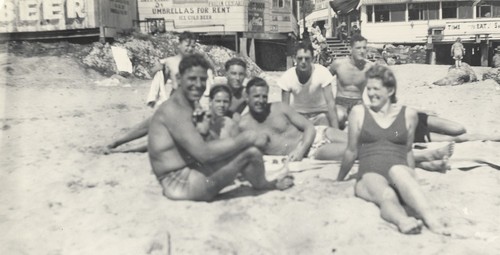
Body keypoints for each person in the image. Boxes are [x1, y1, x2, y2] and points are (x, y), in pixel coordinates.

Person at [148, 54, 293, 201]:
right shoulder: (175, 110)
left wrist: (205, 132)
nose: (198, 85)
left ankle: (253, 178)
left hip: (185, 175)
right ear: (179, 79)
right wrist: (247, 138)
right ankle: (264, 185)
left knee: (232, 148)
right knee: (251, 153)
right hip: (181, 184)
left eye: (203, 79)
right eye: (192, 79)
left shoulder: (185, 104)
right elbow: (204, 154)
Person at [240, 77, 454, 171]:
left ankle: (423, 155)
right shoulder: (242, 125)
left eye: (263, 96)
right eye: (255, 97)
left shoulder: (278, 108)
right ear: (247, 96)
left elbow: (308, 127)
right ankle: (425, 159)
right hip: (314, 151)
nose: (260, 101)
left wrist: (300, 148)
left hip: (317, 135)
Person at [337, 64, 449, 235]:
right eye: (369, 89)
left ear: (389, 91)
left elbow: (408, 151)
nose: (371, 93)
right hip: (370, 174)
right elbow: (351, 151)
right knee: (387, 195)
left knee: (398, 171)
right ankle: (403, 221)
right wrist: (339, 180)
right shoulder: (359, 113)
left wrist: (413, 179)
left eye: (376, 89)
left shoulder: (408, 114)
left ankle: (432, 220)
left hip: (400, 171)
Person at [278, 41, 339, 128]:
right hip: (299, 116)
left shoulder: (322, 72)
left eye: (307, 58)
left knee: (338, 116)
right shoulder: (287, 77)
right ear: (294, 59)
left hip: (320, 115)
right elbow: (285, 108)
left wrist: (335, 130)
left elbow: (330, 104)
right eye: (300, 58)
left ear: (313, 59)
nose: (303, 62)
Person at [329, 34, 373, 130]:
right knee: (339, 117)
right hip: (341, 102)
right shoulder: (338, 64)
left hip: (358, 102)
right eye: (358, 48)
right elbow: (324, 81)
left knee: (363, 122)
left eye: (364, 48)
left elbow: (382, 85)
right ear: (350, 49)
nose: (362, 51)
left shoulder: (369, 67)